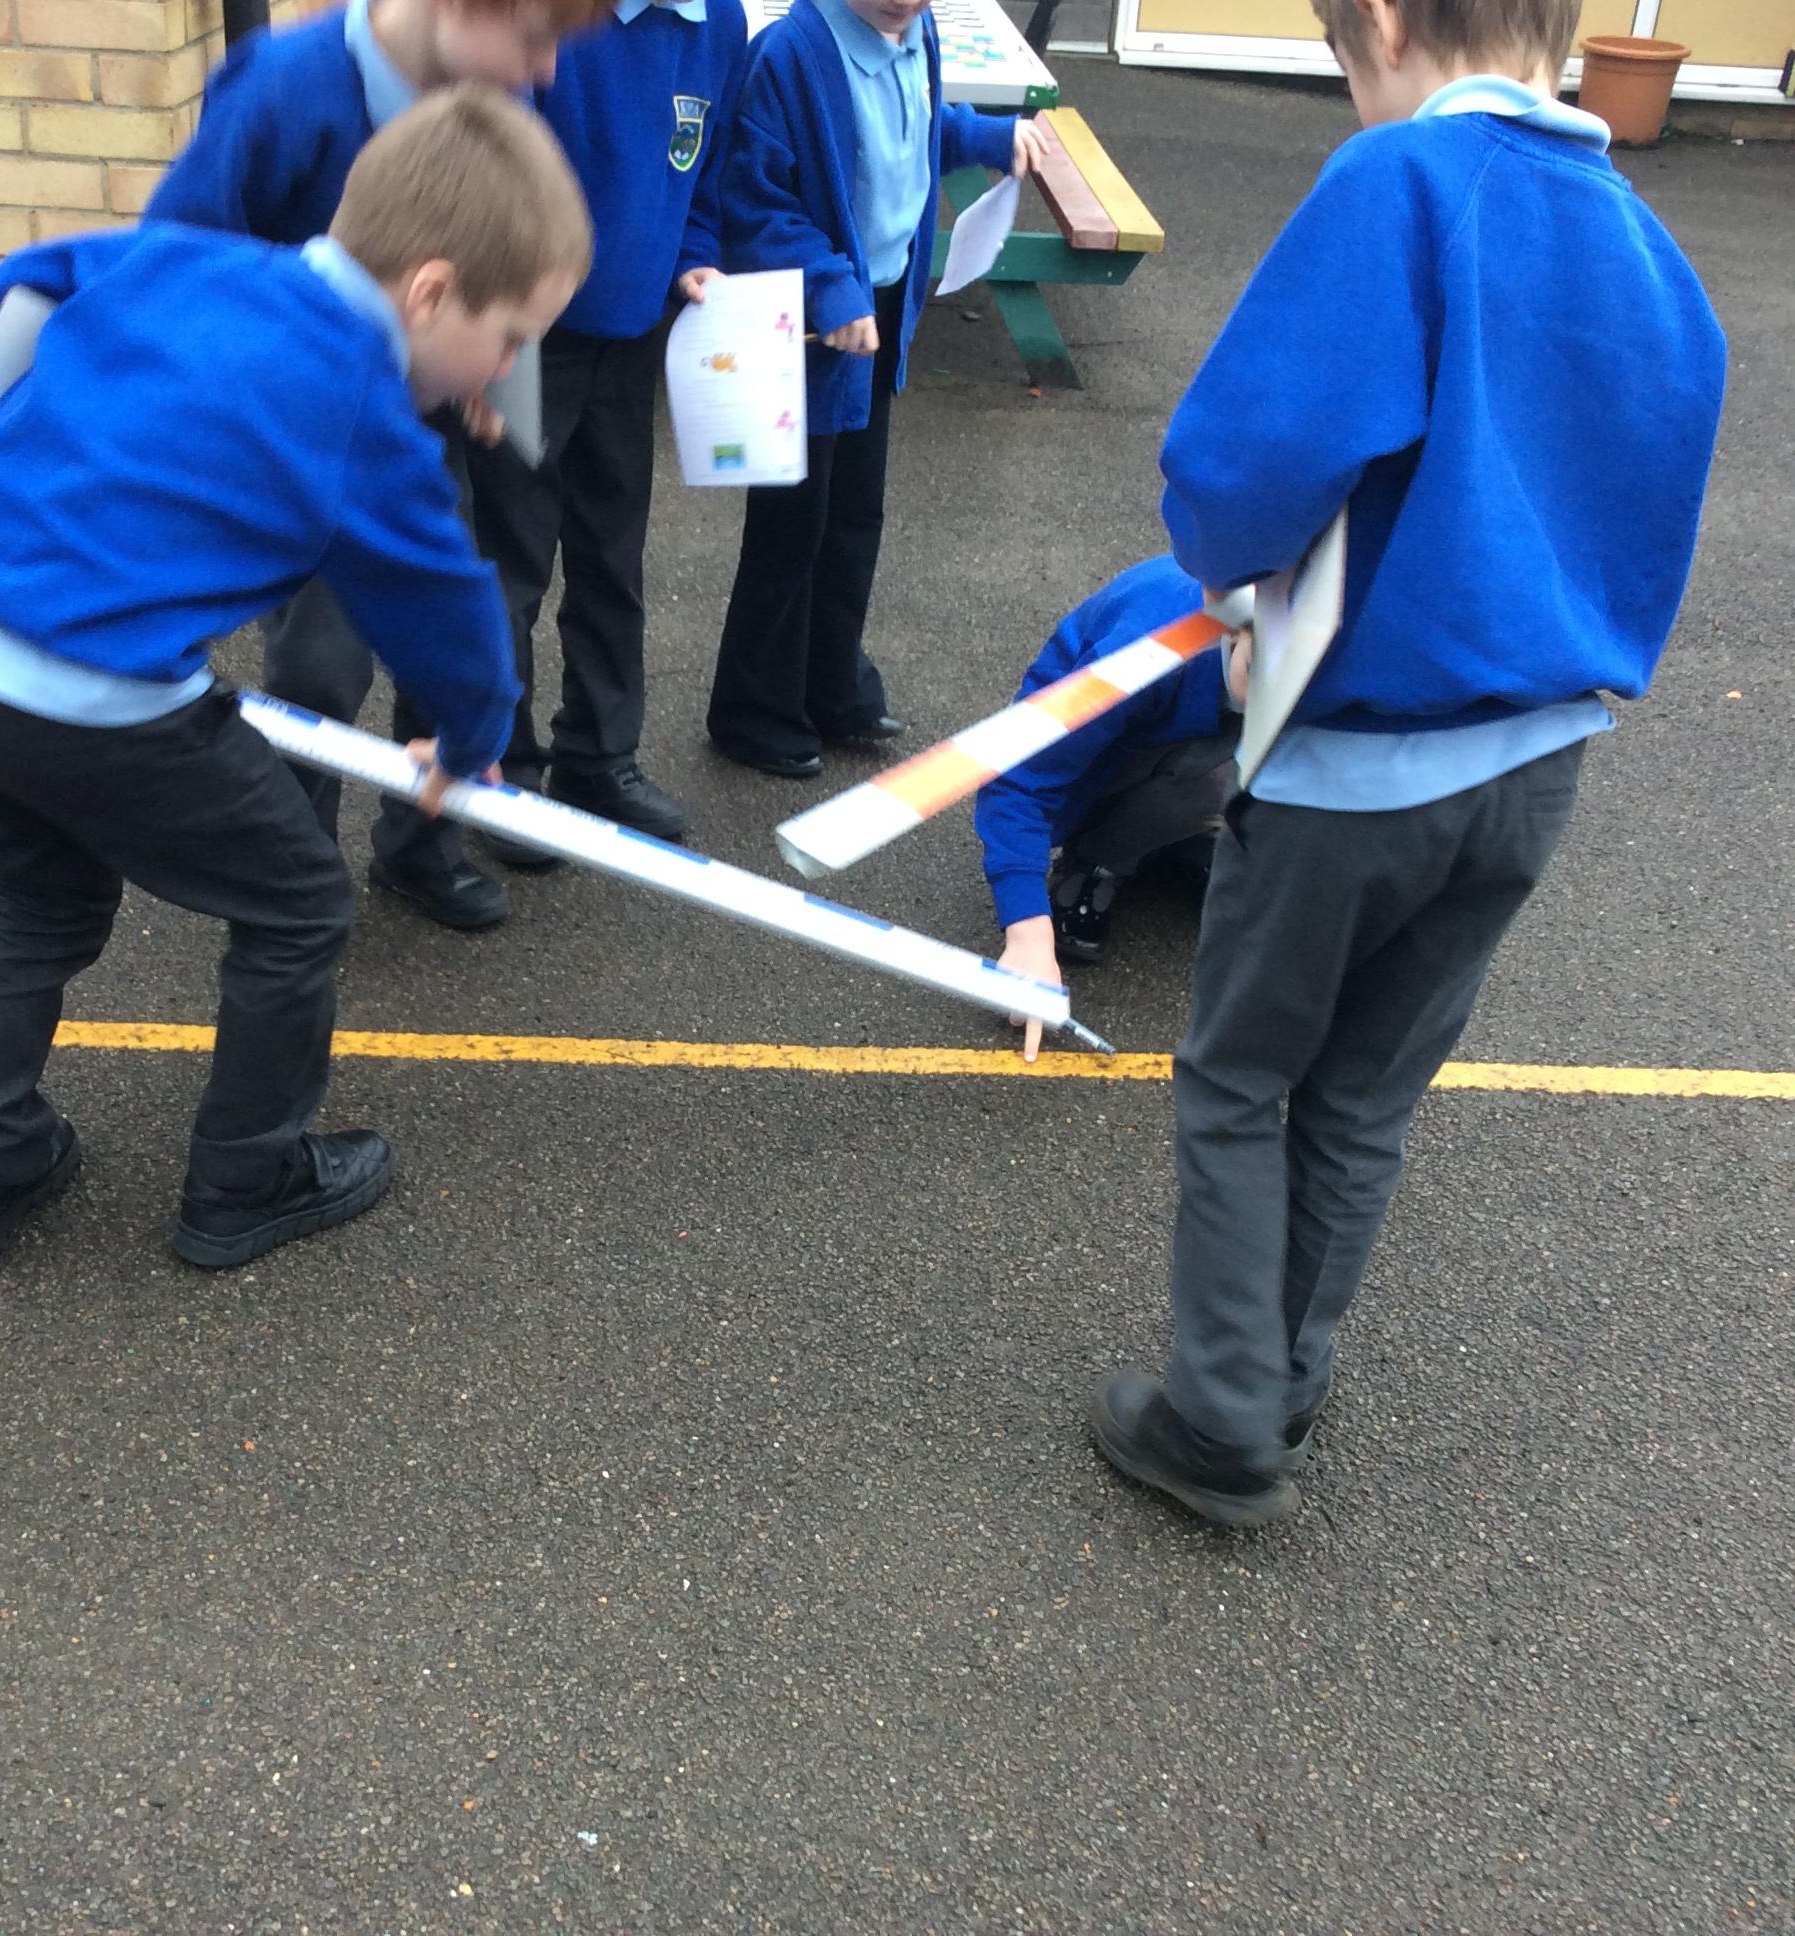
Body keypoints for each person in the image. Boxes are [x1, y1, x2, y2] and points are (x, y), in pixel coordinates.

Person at [1087, 0, 1727, 1526]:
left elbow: (1244, 461)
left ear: (1378, 21)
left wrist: (1234, 578)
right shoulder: (1647, 245)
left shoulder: (1402, 183)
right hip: (1540, 760)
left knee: (1238, 1074)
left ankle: (1221, 1418)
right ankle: (1284, 1376)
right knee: (1366, 1092)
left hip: (1357, 763)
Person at [0, 89, 591, 1277]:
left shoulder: (181, 258)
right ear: (429, 293)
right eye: (509, 338)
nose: (508, 371)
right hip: (84, 697)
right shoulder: (357, 404)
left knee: (44, 891)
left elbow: (5, 304)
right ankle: (244, 1181)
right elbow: (445, 602)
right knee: (299, 901)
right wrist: (470, 741)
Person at [146, 0, 612, 931]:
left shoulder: (495, 92)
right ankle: (289, 869)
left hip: (418, 424)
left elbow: (500, 265)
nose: (548, 70)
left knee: (447, 621)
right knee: (320, 670)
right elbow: (176, 262)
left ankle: (421, 847)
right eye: (537, 38)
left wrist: (488, 373)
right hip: (305, 445)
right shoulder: (282, 90)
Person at [704, 0, 1049, 781]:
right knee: (791, 524)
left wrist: (985, 137)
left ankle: (831, 684)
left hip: (878, 309)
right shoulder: (790, 54)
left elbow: (916, 127)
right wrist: (829, 286)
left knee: (856, 512)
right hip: (813, 322)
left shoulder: (916, 34)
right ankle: (753, 710)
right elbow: (754, 201)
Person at [462, 0, 753, 860]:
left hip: (633, 336)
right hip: (528, 341)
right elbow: (500, 175)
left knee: (612, 559)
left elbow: (706, 176)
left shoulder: (719, 23)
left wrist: (694, 258)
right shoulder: (561, 19)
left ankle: (599, 758)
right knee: (512, 566)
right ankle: (507, 778)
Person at [978, 557, 1242, 1062]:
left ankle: (1179, 838)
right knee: (1227, 780)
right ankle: (1097, 857)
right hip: (1092, 769)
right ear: (1239, 627)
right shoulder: (1141, 655)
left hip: (1177, 734)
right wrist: (1028, 931)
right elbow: (1015, 778)